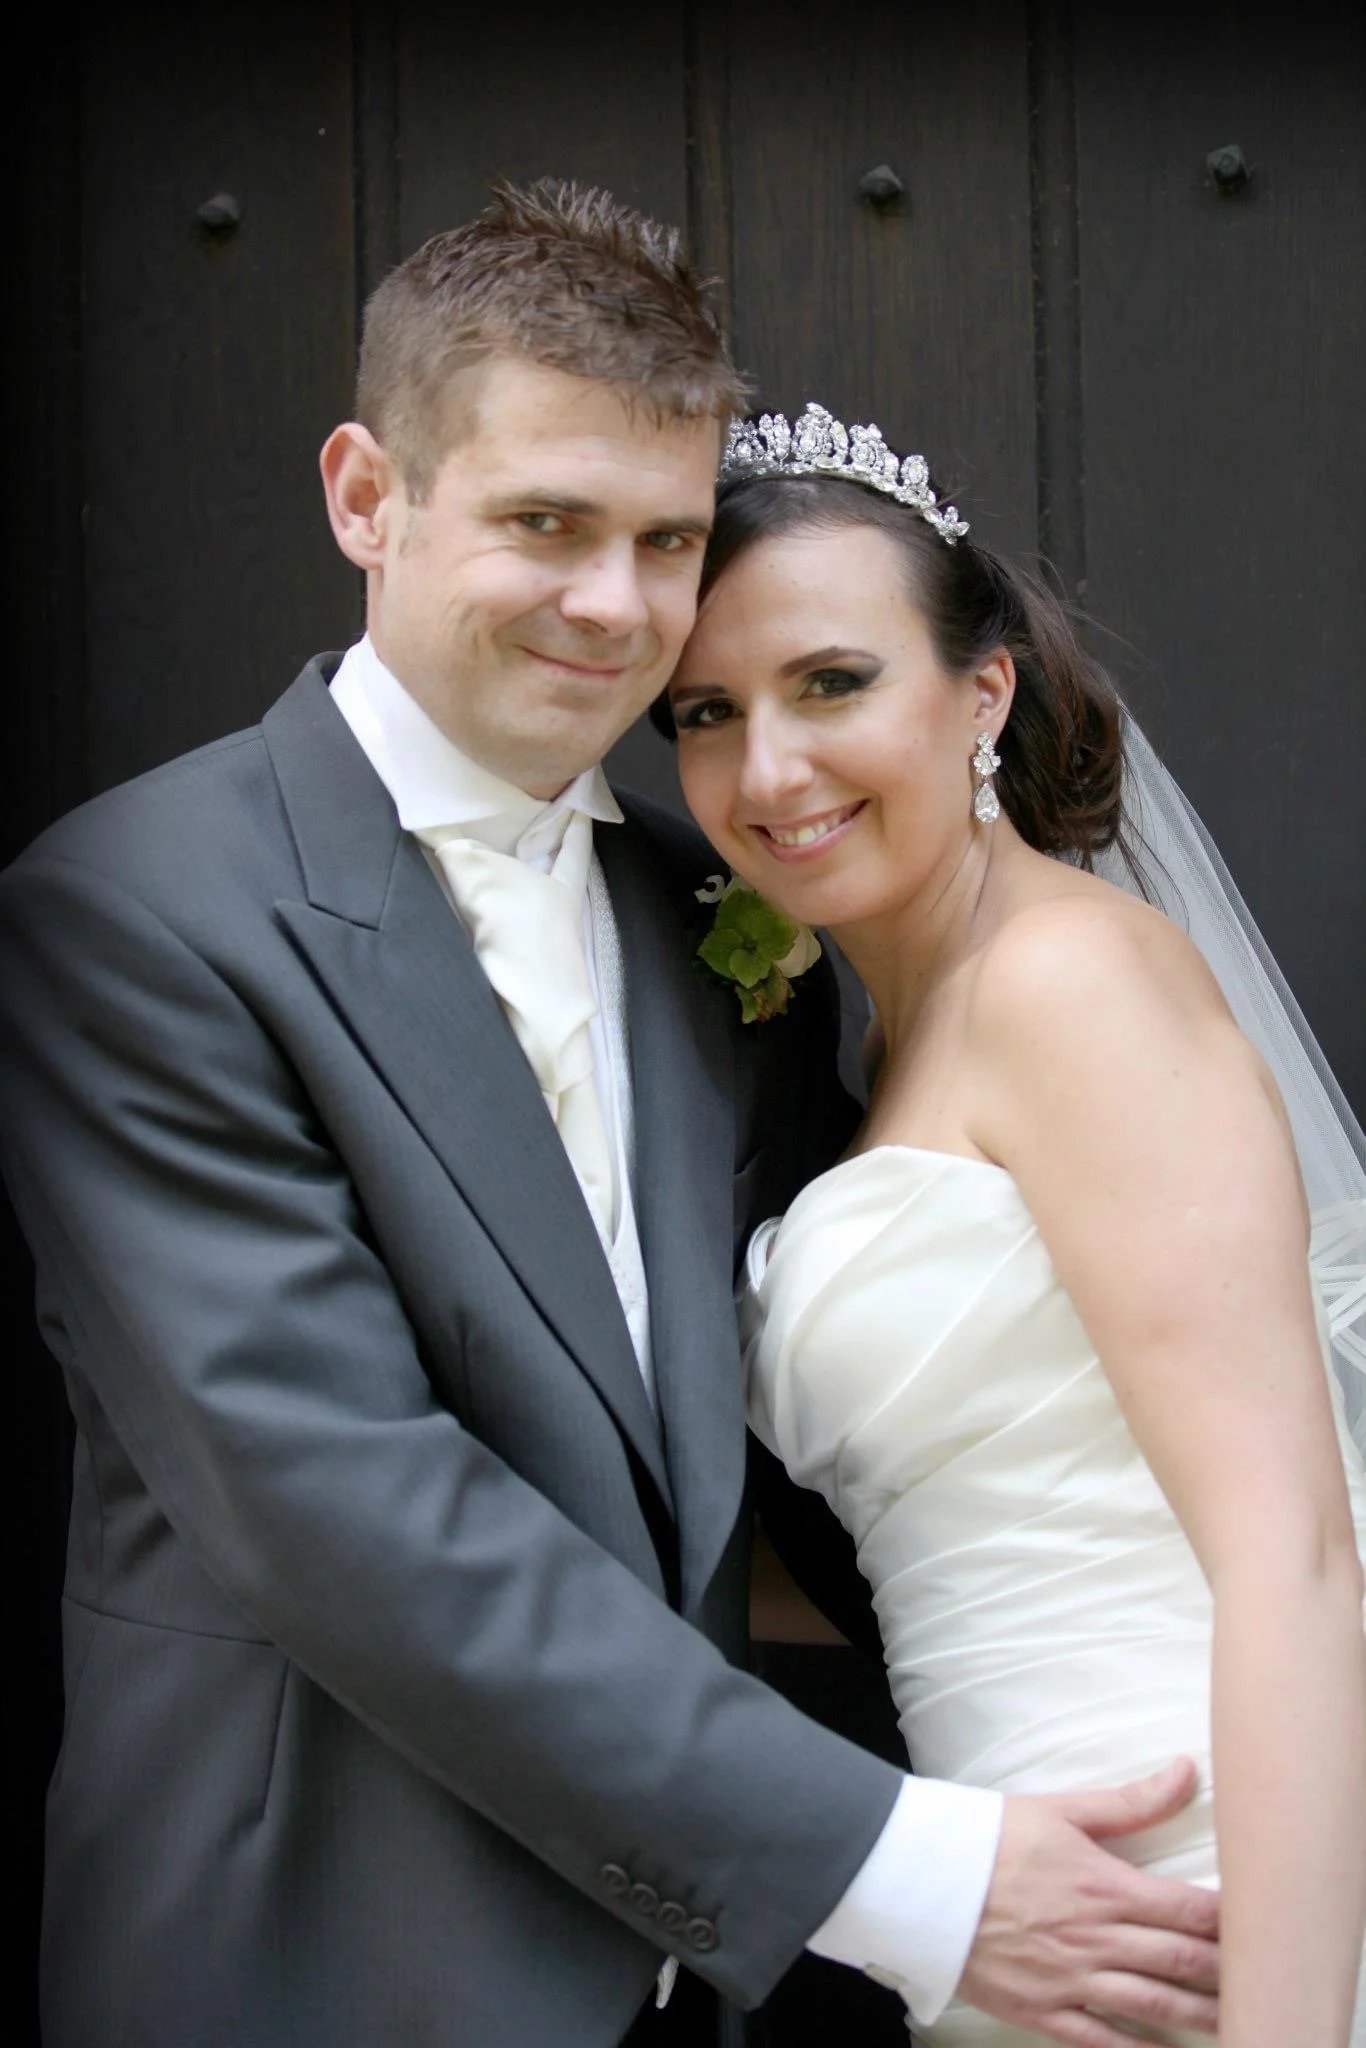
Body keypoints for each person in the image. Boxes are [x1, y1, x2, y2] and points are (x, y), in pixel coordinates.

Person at [0, 187, 1221, 2048]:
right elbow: (344, 1505)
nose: (615, 607)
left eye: (664, 540)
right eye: (544, 525)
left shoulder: (707, 909)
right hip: (319, 1965)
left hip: (706, 1986)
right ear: (364, 497)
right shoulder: (133, 913)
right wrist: (907, 1874)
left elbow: (775, 1448)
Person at [666, 403, 1366, 2046]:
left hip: (1211, 1889)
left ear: (979, 691)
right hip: (1025, 1913)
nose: (768, 769)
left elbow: (1296, 1558)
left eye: (831, 683)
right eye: (707, 713)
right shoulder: (897, 1041)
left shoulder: (1072, 986)